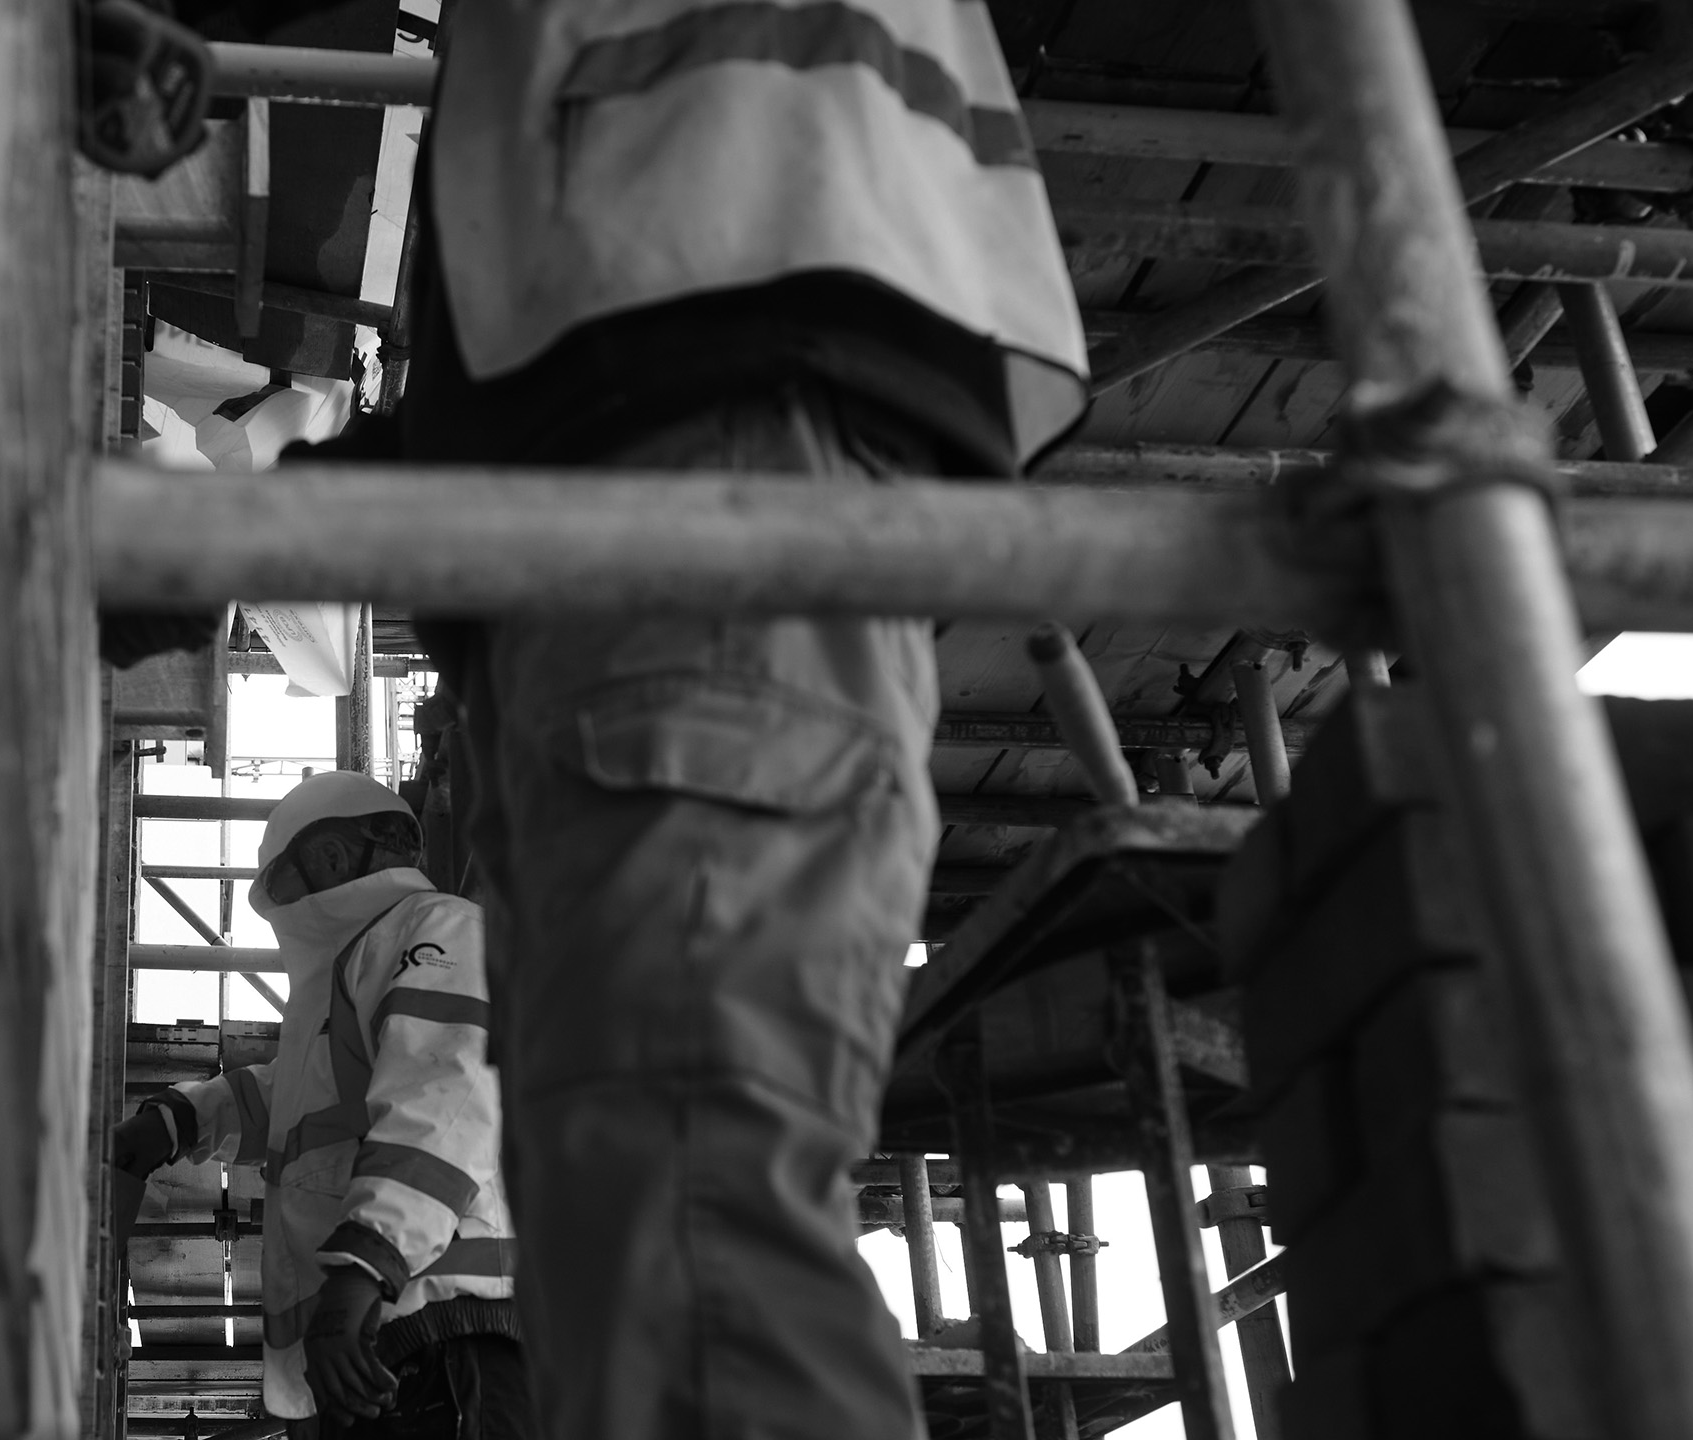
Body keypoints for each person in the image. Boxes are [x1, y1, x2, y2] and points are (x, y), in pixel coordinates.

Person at [93, 4, 1090, 1436]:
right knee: (653, 1225)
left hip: (695, 546)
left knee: (686, 1226)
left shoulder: (665, 118)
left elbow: (613, 365)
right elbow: (550, 385)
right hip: (682, 559)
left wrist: (257, 540)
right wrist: (255, 542)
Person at [111, 773, 530, 1437]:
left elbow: (447, 1091)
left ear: (331, 860)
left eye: (280, 885)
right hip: (374, 1353)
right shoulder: (357, 975)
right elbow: (300, 1107)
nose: (280, 907)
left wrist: (365, 1266)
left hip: (440, 1325)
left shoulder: (433, 929)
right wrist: (184, 1118)